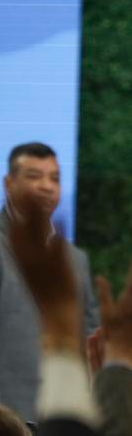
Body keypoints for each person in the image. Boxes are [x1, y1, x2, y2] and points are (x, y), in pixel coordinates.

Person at [0, 142, 99, 421]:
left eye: (54, 178)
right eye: (34, 176)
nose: (47, 186)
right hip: (6, 423)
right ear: (9, 183)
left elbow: (91, 337)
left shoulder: (75, 259)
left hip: (61, 420)